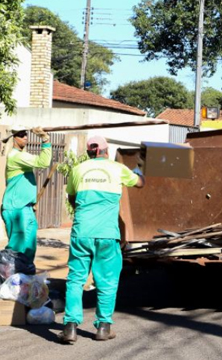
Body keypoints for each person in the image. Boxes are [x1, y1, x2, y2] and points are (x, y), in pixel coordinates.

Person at [59, 136, 145, 344]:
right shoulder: (117, 169)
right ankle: (103, 328)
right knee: (106, 282)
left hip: (82, 233)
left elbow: (72, 198)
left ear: (88, 152)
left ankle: (70, 328)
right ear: (107, 151)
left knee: (76, 280)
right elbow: (140, 183)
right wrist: (139, 168)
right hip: (107, 234)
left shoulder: (78, 170)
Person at [1, 124, 52, 262]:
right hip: (16, 208)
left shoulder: (21, 156)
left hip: (25, 207)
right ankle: (10, 277)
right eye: (21, 135)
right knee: (16, 250)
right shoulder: (15, 156)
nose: (25, 137)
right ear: (14, 138)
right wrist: (45, 140)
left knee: (28, 248)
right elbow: (43, 162)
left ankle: (25, 277)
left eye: (26, 134)